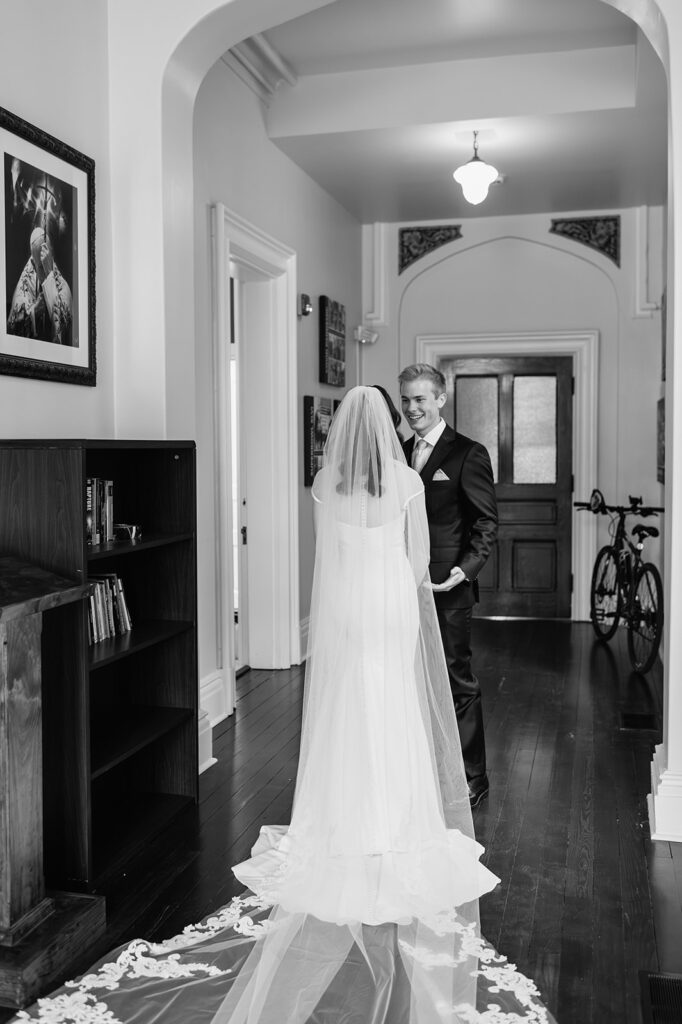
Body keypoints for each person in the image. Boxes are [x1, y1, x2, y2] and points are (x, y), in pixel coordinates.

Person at [12, 387, 553, 1024]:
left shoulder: (325, 482)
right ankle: (395, 823)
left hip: (348, 607)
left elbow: (327, 557)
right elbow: (417, 560)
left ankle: (345, 818)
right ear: (385, 427)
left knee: (349, 706)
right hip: (390, 606)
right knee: (392, 705)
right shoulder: (407, 480)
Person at [398, 364, 498, 809]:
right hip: (399, 584)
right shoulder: (397, 452)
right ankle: (422, 768)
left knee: (457, 680)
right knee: (409, 677)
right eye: (406, 400)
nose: (412, 408)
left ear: (440, 399)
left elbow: (485, 522)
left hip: (447, 587)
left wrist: (466, 569)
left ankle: (473, 776)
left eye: (420, 399)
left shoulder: (468, 453)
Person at [7, 226, 73, 345]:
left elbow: (65, 328)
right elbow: (13, 327)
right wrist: (35, 310)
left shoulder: (62, 286)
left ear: (50, 256)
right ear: (33, 262)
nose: (41, 272)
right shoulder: (25, 283)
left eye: (46, 263)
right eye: (40, 267)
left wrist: (49, 275)